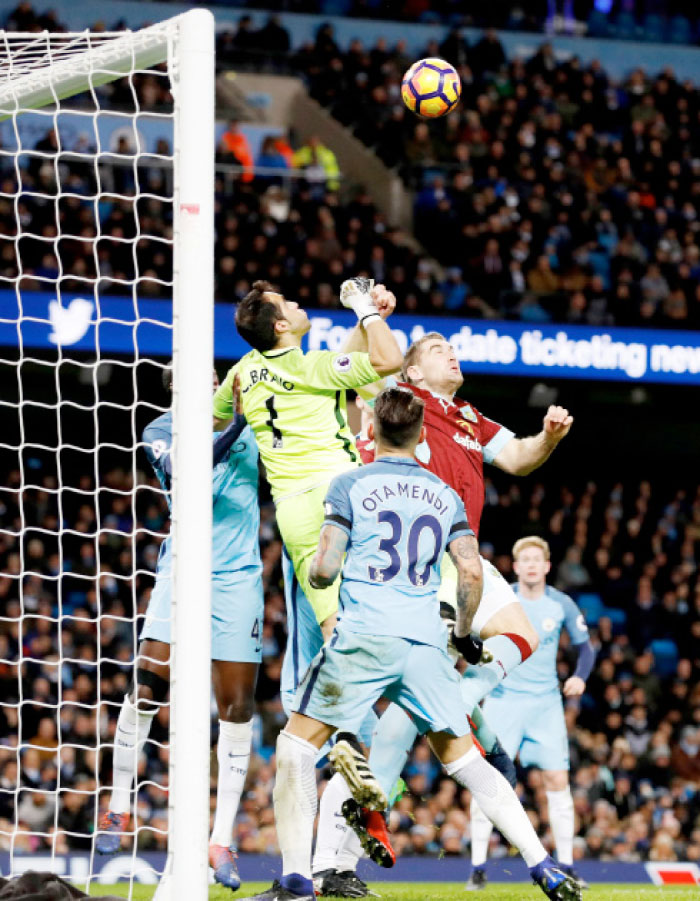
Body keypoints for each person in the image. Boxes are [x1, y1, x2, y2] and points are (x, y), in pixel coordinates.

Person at [238, 387, 581, 901]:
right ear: (422, 437)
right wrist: (462, 634)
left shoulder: (349, 483)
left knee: (293, 749)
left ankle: (295, 881)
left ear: (371, 432)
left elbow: (326, 566)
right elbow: (469, 571)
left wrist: (315, 566)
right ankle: (544, 865)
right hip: (423, 641)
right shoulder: (443, 494)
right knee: (468, 764)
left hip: (365, 638)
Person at [325, 330, 573, 882]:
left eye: (450, 348)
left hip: (466, 553)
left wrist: (549, 437)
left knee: (520, 634)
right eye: (437, 349)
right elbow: (370, 365)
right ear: (410, 372)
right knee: (401, 722)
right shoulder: (401, 403)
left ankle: (458, 703)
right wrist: (369, 315)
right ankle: (340, 858)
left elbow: (518, 457)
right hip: (419, 560)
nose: (451, 353)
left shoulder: (469, 416)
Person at [213, 279, 402, 896]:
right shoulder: (309, 363)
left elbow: (220, 417)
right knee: (370, 627)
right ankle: (351, 738)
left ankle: (345, 737)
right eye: (288, 307)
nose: (298, 305)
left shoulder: (243, 372)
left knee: (334, 628)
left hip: (292, 513)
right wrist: (365, 311)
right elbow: (385, 362)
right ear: (280, 328)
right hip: (343, 499)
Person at [95, 369, 262, 893]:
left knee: (236, 708)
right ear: (176, 385)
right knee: (147, 686)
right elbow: (191, 474)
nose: (209, 381)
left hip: (239, 576)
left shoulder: (258, 426)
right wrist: (237, 422)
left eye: (214, 375)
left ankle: (220, 838)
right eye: (199, 376)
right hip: (181, 569)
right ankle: (119, 800)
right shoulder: (160, 429)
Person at [467, 536, 595, 891]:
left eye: (538, 559)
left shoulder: (561, 604)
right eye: (526, 559)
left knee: (557, 781)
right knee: (488, 780)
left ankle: (568, 864)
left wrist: (580, 677)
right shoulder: (501, 599)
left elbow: (586, 648)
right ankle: (478, 867)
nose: (532, 565)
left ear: (547, 566)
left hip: (546, 705)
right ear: (516, 565)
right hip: (504, 700)